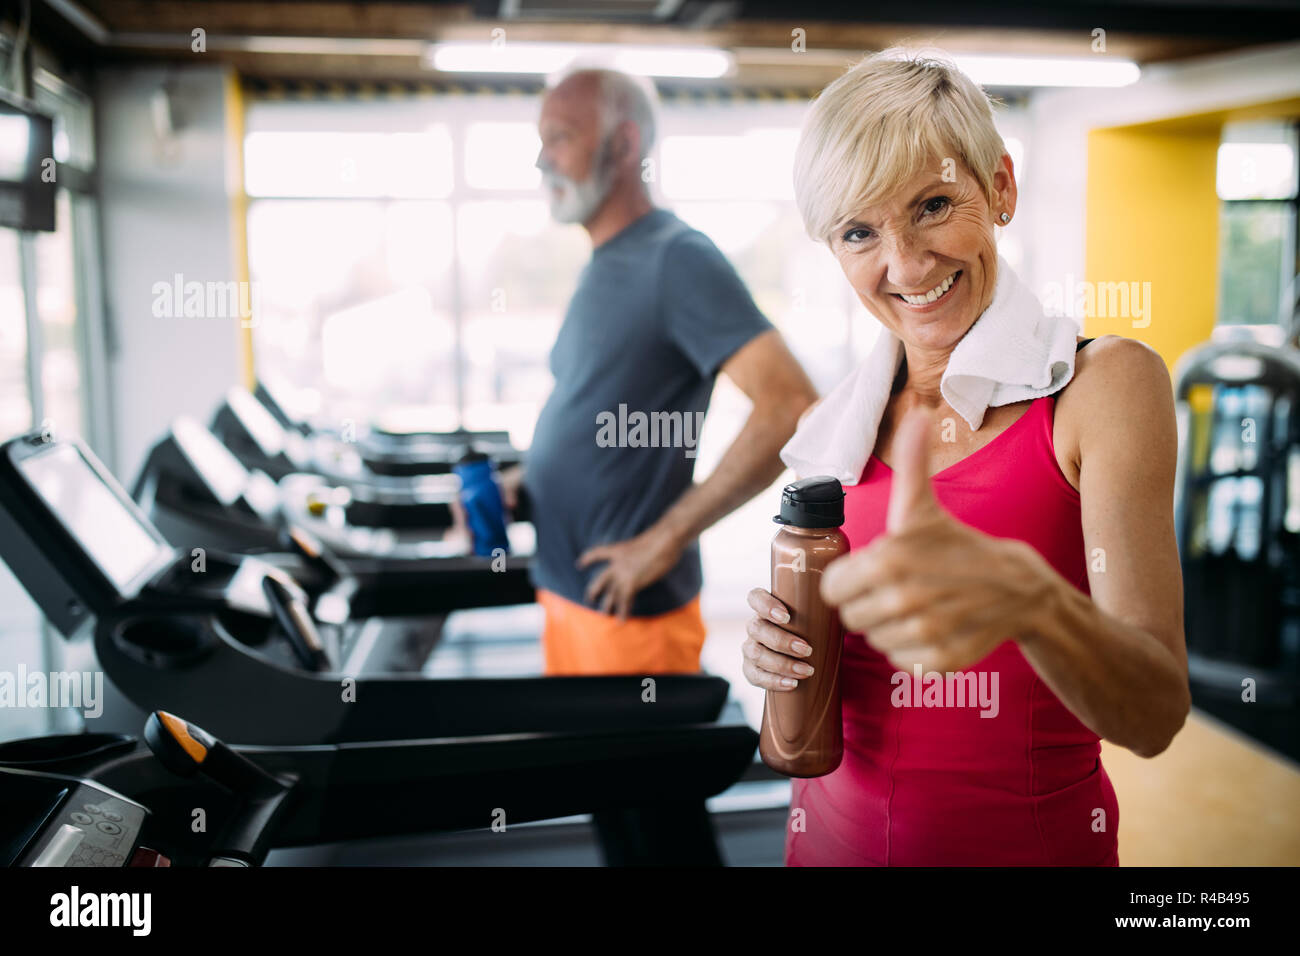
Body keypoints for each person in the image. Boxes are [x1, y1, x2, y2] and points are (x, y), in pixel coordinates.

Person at [742, 48, 1190, 866]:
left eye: (934, 203)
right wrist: (779, 652)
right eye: (859, 231)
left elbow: (1156, 713)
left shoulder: (1102, 388)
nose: (906, 265)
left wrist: (1033, 602)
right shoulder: (830, 430)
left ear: (1002, 189)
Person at [497, 67, 818, 864]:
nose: (543, 161)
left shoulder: (676, 259)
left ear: (625, 142)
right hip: (574, 598)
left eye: (559, 139)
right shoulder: (604, 260)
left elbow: (789, 404)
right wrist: (528, 480)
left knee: (658, 836)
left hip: (630, 617)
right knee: (613, 817)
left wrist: (665, 536)